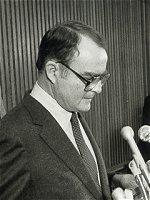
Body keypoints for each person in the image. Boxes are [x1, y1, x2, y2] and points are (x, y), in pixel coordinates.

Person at [0, 20, 126, 200]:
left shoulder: (71, 111)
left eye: (102, 78)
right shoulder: (11, 134)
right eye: (89, 79)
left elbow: (77, 179)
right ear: (53, 71)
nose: (98, 89)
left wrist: (117, 180)